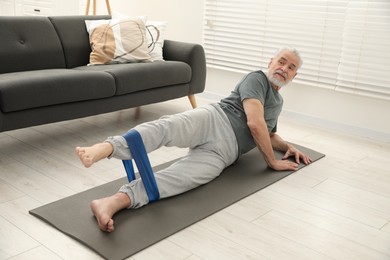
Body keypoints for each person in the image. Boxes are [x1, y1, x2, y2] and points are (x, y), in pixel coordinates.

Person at [76, 47, 312, 232]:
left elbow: (269, 134)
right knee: (167, 127)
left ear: (294, 76)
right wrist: (272, 161)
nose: (284, 68)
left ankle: (113, 202)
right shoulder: (257, 79)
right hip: (214, 119)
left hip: (224, 154)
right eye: (281, 61)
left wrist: (288, 147)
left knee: (182, 179)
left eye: (291, 67)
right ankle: (106, 147)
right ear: (271, 62)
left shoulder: (278, 103)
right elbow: (254, 123)